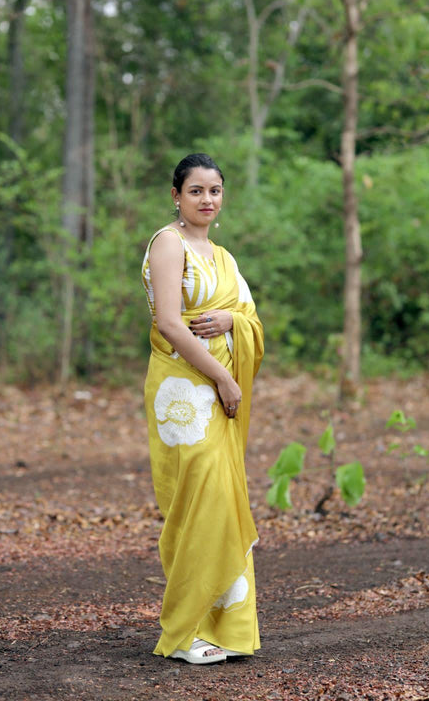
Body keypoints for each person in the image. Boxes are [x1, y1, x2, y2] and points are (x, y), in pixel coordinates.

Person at [141, 153, 264, 665]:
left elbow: (249, 317)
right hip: (184, 394)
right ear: (177, 195)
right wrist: (223, 378)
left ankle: (226, 628)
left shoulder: (223, 256)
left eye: (214, 191)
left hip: (218, 390)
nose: (206, 200)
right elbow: (171, 323)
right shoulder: (169, 244)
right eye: (196, 191)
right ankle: (183, 632)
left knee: (221, 497)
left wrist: (230, 322)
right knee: (198, 499)